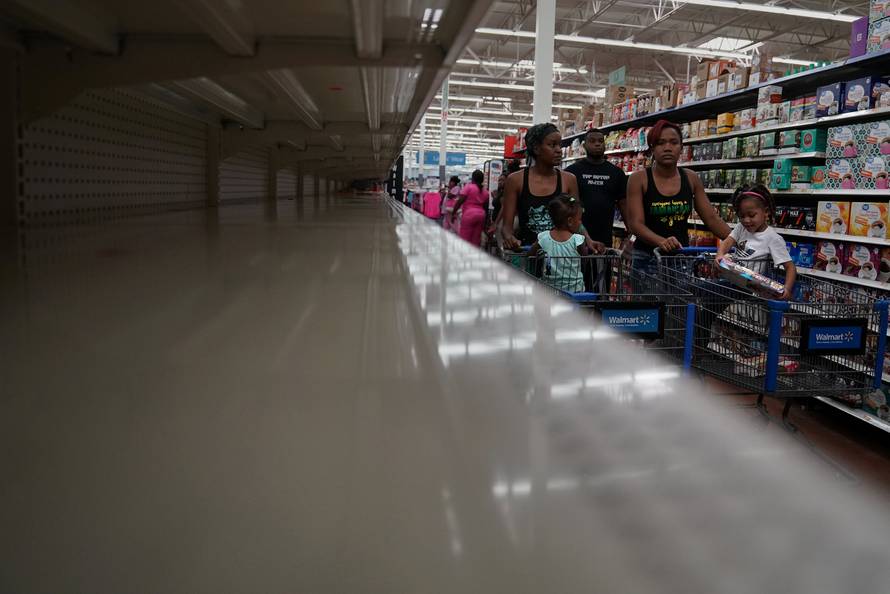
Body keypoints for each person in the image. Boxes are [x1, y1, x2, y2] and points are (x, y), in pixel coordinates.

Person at [626, 119, 729, 268]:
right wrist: (661, 241)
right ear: (652, 148)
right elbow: (636, 224)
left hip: (680, 257)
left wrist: (737, 241)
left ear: (681, 147)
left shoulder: (691, 178)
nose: (667, 148)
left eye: (673, 142)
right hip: (647, 258)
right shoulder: (638, 179)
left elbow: (712, 218)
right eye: (661, 143)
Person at [500, 123, 604, 253]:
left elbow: (576, 220)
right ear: (537, 149)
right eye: (552, 145)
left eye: (560, 145)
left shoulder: (569, 179)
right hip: (528, 254)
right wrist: (510, 238)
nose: (559, 150)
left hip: (561, 256)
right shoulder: (516, 180)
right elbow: (506, 227)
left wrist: (588, 240)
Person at [716, 184, 796, 300]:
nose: (746, 220)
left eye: (752, 215)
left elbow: (790, 267)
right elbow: (728, 241)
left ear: (766, 212)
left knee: (709, 296)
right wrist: (720, 254)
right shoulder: (740, 228)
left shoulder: (772, 238)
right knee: (707, 295)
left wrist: (787, 289)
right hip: (734, 280)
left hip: (751, 288)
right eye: (742, 216)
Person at [565, 128, 628, 249]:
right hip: (576, 237)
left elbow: (623, 204)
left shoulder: (616, 173)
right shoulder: (572, 172)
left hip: (605, 238)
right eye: (592, 141)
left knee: (602, 268)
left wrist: (631, 233)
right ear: (584, 145)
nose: (597, 144)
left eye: (600, 141)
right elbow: (566, 205)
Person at [529, 195, 589, 292]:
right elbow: (585, 260)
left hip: (549, 291)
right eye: (579, 219)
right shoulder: (577, 240)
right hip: (574, 291)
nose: (580, 222)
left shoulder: (543, 238)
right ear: (569, 221)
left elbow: (530, 255)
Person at [452, 169, 490, 247]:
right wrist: (486, 222)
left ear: (472, 178)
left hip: (469, 215)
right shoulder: (485, 191)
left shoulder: (469, 187)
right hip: (481, 216)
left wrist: (453, 213)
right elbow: (486, 207)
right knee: (476, 240)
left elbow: (460, 201)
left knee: (465, 239)